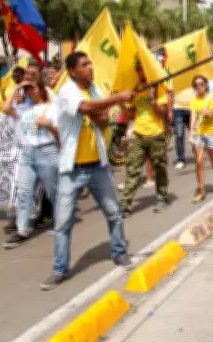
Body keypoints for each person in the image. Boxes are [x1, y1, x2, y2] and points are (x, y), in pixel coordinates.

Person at [41, 51, 134, 291]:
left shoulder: (94, 91)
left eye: (90, 63)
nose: (90, 68)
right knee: (62, 223)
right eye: (84, 65)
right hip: (72, 169)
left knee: (114, 212)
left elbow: (103, 120)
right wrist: (114, 99)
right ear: (72, 71)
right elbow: (85, 108)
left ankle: (119, 252)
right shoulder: (66, 92)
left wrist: (100, 106)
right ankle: (60, 269)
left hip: (98, 165)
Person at [1, 76, 59, 249]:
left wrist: (47, 124)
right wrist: (17, 87)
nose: (29, 92)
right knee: (24, 192)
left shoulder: (52, 108)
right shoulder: (24, 109)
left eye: (32, 88)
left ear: (41, 89)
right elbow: (5, 108)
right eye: (27, 90)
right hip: (27, 153)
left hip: (47, 151)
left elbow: (61, 132)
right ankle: (22, 230)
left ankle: (61, 223)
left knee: (53, 192)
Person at [120, 60, 171, 215]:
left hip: (156, 134)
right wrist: (121, 104)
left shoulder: (158, 87)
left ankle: (162, 197)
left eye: (141, 68)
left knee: (159, 167)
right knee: (133, 169)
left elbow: (162, 113)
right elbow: (131, 115)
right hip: (138, 134)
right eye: (137, 69)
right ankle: (126, 203)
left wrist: (152, 98)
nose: (139, 72)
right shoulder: (134, 88)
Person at [189, 74, 213, 204]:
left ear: (206, 85)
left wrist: (210, 113)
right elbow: (193, 117)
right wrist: (191, 132)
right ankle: (202, 190)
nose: (199, 87)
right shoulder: (194, 100)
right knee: (198, 161)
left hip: (211, 133)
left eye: (201, 84)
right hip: (199, 134)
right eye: (196, 85)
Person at [172, 86, 195, 171]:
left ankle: (197, 153)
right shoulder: (172, 75)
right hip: (177, 108)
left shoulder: (194, 74)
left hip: (193, 107)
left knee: (194, 134)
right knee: (179, 135)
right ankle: (181, 159)